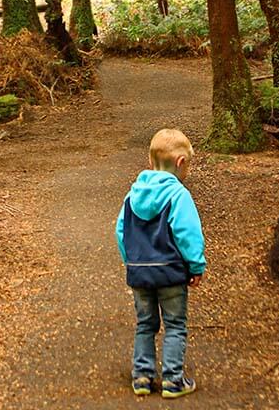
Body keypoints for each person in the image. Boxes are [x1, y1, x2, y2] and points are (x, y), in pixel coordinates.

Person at [115, 128, 205, 399]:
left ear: (151, 163)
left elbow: (121, 230)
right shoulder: (178, 195)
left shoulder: (132, 196)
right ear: (180, 163)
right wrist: (196, 266)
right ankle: (172, 380)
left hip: (140, 274)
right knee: (175, 325)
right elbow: (188, 233)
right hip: (171, 274)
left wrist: (130, 261)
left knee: (145, 324)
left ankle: (142, 376)